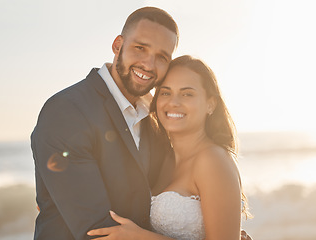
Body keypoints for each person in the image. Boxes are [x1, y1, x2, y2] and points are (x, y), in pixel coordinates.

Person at [31, 7, 178, 240]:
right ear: (117, 45)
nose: (149, 64)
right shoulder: (67, 111)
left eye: (162, 57)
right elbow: (98, 233)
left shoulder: (156, 118)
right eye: (140, 48)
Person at [87, 55, 251, 240]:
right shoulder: (163, 156)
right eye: (165, 92)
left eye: (187, 94)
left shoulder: (212, 160)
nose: (173, 102)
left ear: (210, 104)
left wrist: (140, 237)